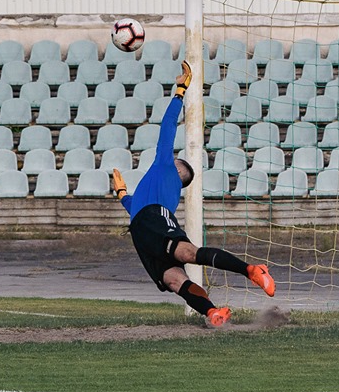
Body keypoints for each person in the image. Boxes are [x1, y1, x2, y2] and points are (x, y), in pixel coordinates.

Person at [111, 60, 275, 327]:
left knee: (187, 253)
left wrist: (179, 92)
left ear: (178, 170)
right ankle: (212, 312)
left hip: (153, 219)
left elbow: (167, 128)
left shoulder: (165, 166)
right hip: (142, 228)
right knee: (174, 280)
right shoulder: (159, 184)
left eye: (175, 159)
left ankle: (252, 271)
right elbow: (135, 208)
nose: (170, 156)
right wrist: (122, 194)